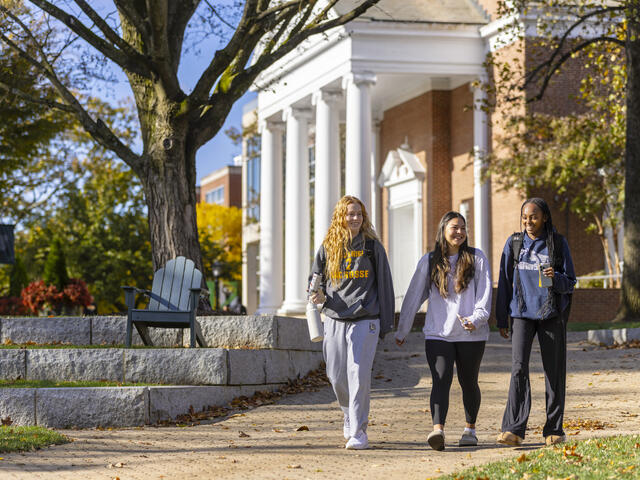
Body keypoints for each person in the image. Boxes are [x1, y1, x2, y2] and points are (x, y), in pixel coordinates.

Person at [395, 211, 492, 451]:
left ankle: (470, 429)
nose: (459, 232)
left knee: (469, 382)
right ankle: (438, 430)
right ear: (443, 230)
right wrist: (402, 330)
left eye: (463, 228)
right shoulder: (429, 261)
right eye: (454, 227)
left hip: (471, 334)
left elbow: (485, 294)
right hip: (438, 333)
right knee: (440, 380)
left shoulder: (476, 258)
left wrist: (476, 319)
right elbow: (413, 297)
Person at [309, 195, 395, 450]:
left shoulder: (372, 247)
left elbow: (385, 285)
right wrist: (316, 293)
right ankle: (348, 413)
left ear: (364, 217)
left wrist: (386, 323)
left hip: (365, 318)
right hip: (334, 317)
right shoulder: (328, 247)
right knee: (335, 375)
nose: (354, 218)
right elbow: (316, 280)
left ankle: (359, 431)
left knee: (358, 373)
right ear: (340, 217)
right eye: (350, 214)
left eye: (358, 213)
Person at [495, 198, 576, 447]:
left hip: (550, 315)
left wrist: (556, 277)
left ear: (545, 218)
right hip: (521, 314)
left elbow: (570, 282)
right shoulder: (514, 243)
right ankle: (513, 429)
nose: (529, 222)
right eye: (525, 217)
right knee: (519, 368)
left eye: (534, 217)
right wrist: (502, 318)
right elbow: (505, 281)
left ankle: (554, 430)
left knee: (554, 371)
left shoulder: (558, 244)